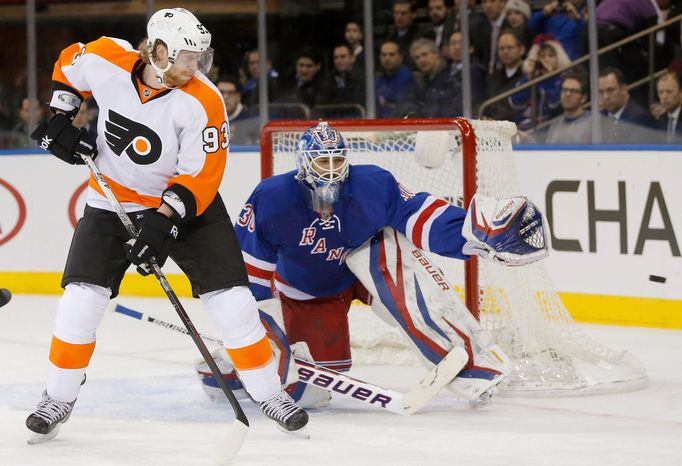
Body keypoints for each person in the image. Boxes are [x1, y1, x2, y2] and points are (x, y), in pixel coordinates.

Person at [25, 7, 308, 443]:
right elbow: (69, 64)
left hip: (189, 208)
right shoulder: (107, 58)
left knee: (232, 302)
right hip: (110, 202)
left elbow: (202, 175)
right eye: (186, 57)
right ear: (157, 50)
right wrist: (62, 116)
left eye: (200, 58)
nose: (194, 66)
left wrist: (162, 225)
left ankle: (270, 393)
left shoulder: (205, 100)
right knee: (79, 302)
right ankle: (59, 395)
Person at [221, 122, 549, 408]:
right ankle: (223, 368)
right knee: (310, 389)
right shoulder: (271, 198)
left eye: (338, 160)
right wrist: (256, 336)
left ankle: (468, 365)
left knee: (389, 262)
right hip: (308, 292)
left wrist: (471, 233)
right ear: (304, 165)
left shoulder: (372, 184)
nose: (332, 170)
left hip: (364, 268)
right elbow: (251, 277)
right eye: (323, 161)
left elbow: (419, 215)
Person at [509, 35, 569, 131]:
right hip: (523, 125)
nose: (546, 59)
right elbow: (514, 102)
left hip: (548, 127)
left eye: (550, 56)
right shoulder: (529, 77)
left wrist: (549, 78)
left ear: (558, 58)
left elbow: (553, 104)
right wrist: (530, 79)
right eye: (542, 56)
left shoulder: (562, 80)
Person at [598, 67, 655, 143]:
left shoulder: (641, 118)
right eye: (601, 92)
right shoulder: (599, 117)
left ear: (624, 89)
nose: (605, 97)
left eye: (610, 90)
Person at [482, 30, 525, 121]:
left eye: (509, 48)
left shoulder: (526, 76)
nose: (505, 52)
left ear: (521, 50)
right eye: (501, 48)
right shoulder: (493, 77)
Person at [410, 38, 455, 117]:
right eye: (417, 58)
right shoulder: (419, 81)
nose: (421, 60)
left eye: (424, 54)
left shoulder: (450, 77)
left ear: (436, 54)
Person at [545, 71, 591, 143]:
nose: (567, 94)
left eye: (572, 91)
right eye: (564, 90)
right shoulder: (555, 124)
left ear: (583, 98)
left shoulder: (593, 122)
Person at [375, 40, 417, 118]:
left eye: (392, 54)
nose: (387, 58)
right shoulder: (378, 78)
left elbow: (405, 107)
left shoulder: (407, 78)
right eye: (384, 55)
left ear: (400, 57)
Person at [652, 71, 682, 143]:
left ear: (680, 93)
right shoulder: (659, 120)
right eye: (660, 92)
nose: (664, 96)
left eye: (669, 91)